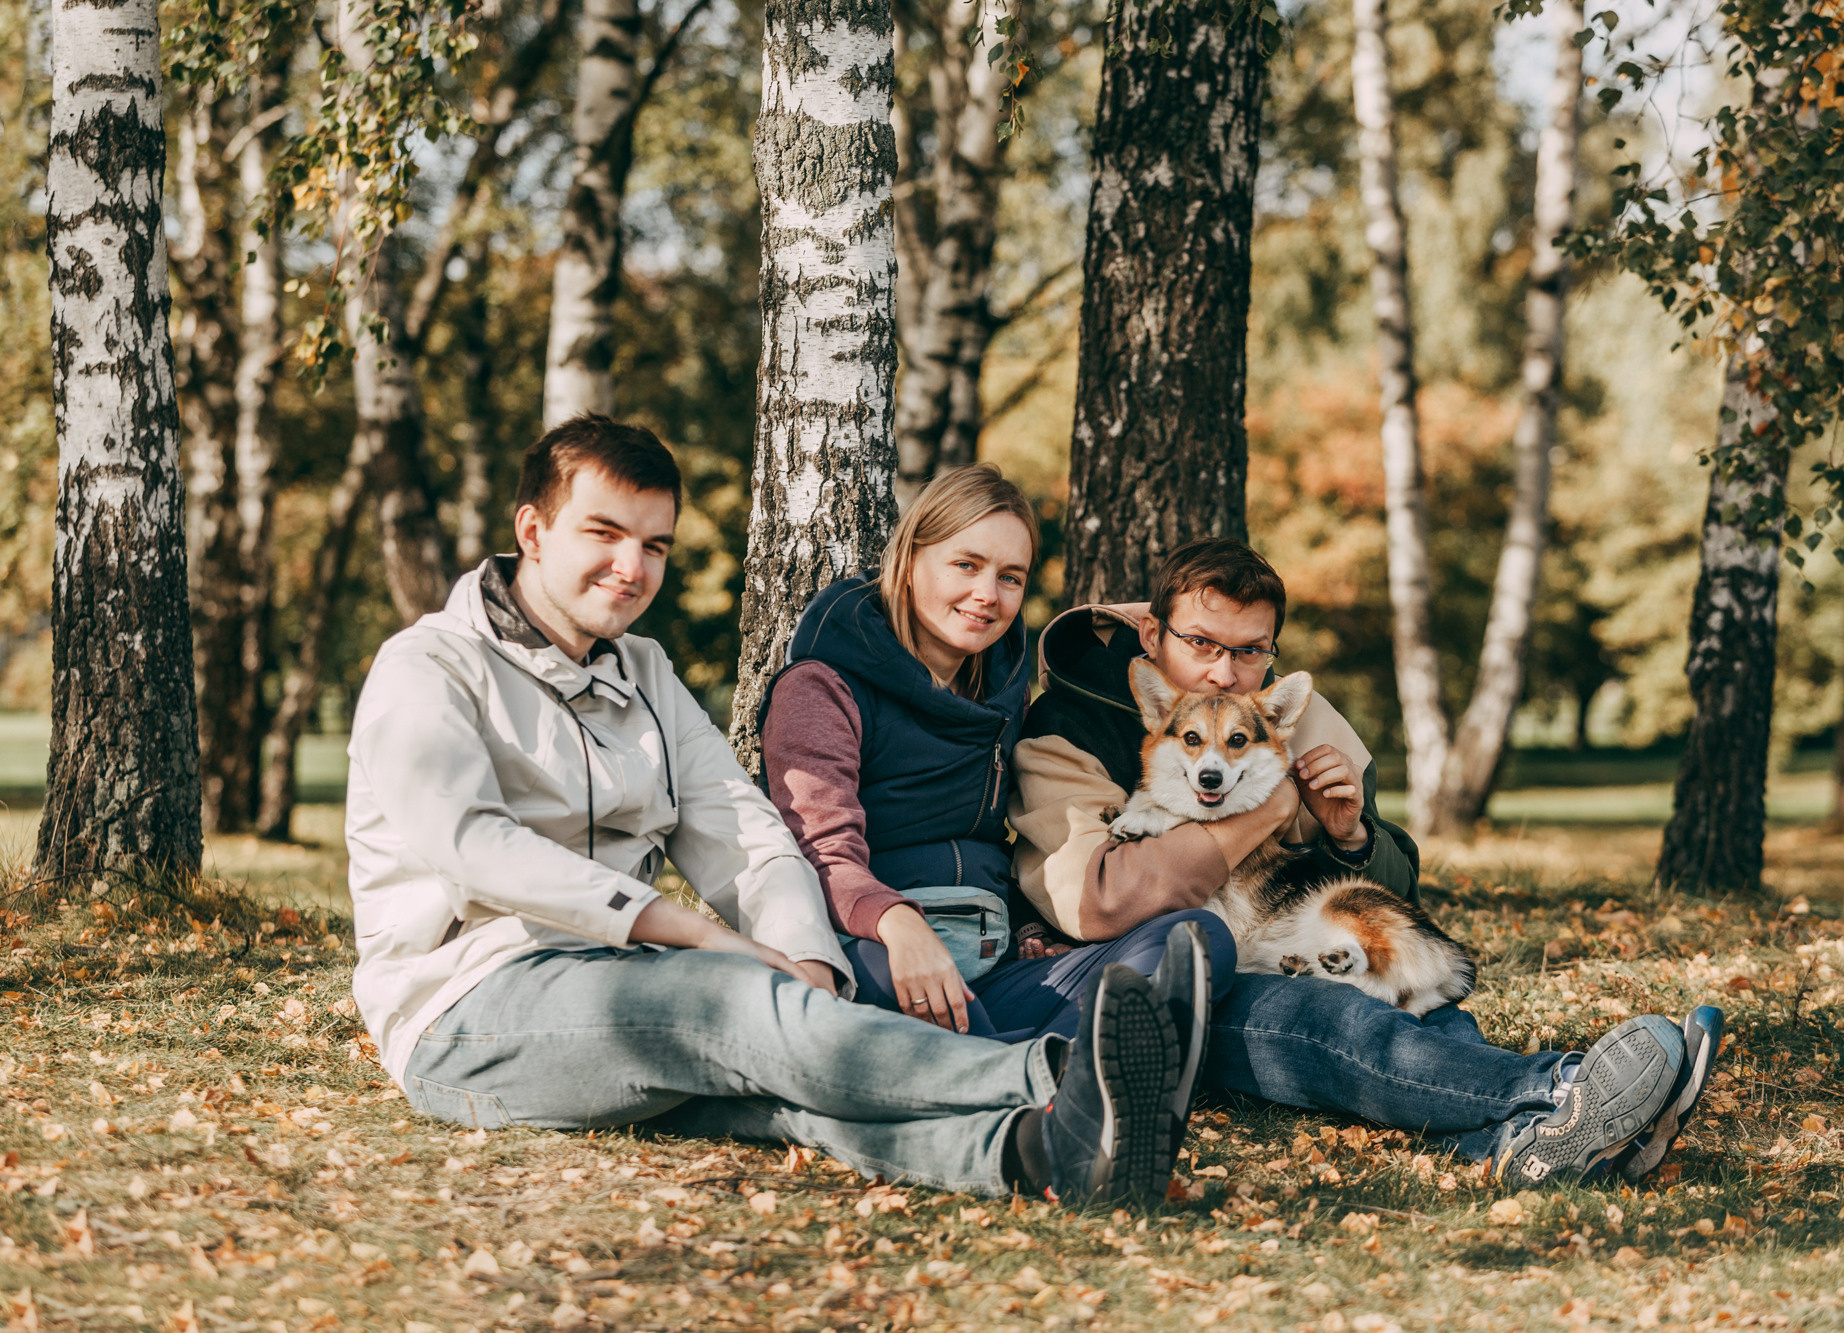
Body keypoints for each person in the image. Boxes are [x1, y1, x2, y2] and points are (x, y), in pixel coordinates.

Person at [343, 415, 1200, 1204]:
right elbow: (477, 846)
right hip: (467, 1011)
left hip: (620, 991)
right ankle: (1060, 1078)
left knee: (787, 1092)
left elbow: (745, 830)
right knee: (735, 1005)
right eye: (603, 534)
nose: (632, 567)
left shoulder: (641, 671)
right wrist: (704, 937)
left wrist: (807, 960)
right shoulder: (429, 667)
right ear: (533, 531)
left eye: (654, 545)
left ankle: (1044, 1155)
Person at [1011, 536, 1726, 1186]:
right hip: (1173, 977)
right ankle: (1565, 1088)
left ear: (1272, 649)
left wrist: (1350, 836)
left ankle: (1535, 1144)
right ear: (1151, 633)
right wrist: (1268, 807)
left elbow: (1392, 898)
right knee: (1330, 1019)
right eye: (1201, 642)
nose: (1226, 673)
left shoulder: (1305, 717)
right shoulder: (1066, 730)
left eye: (1251, 650)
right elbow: (1099, 896)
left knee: (1410, 1007)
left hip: (1300, 937)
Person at [758, 465, 1225, 1146]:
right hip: (875, 951)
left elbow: (1010, 831)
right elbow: (818, 850)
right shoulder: (823, 684)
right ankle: (1059, 1092)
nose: (987, 594)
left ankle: (1052, 1074)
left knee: (1194, 937)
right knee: (911, 1004)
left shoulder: (1004, 688)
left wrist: (1032, 919)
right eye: (966, 564)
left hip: (991, 954)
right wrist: (897, 924)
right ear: (911, 559)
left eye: (1010, 576)